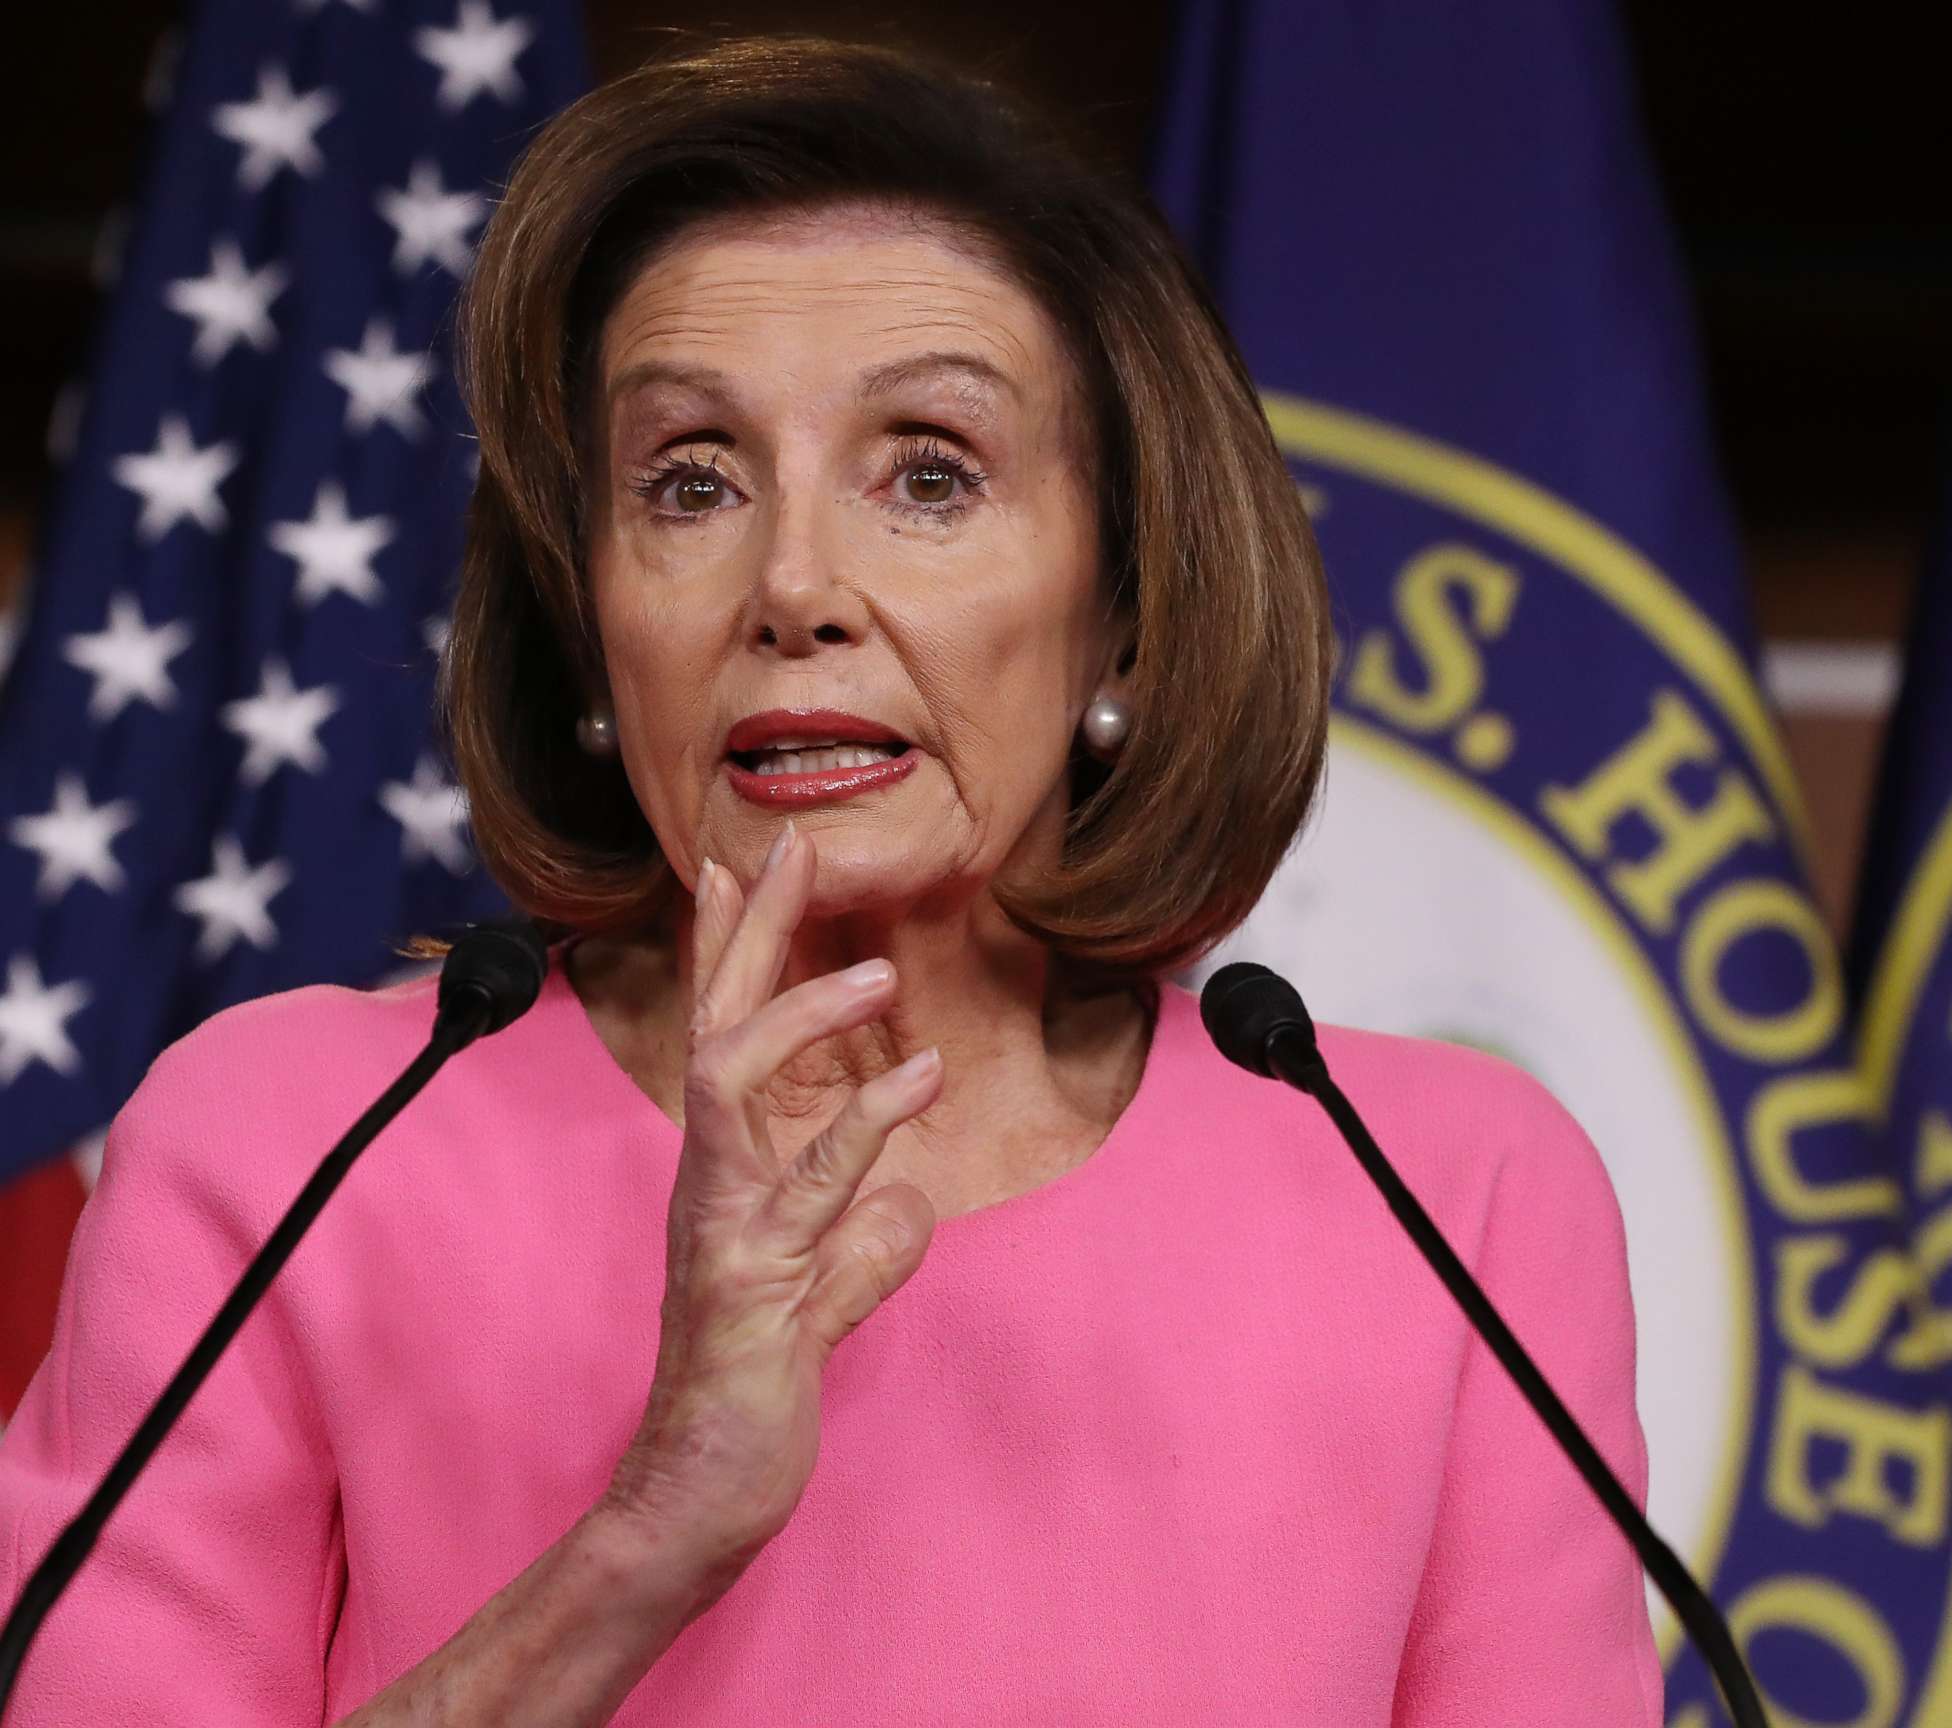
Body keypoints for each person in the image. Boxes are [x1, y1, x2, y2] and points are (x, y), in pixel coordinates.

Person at [0, 37, 1665, 1725]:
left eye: (929, 473)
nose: (793, 583)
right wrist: (652, 1534)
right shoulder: (283, 1153)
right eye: (691, 482)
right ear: (589, 625)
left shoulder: (1447, 1198)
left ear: (1125, 609)